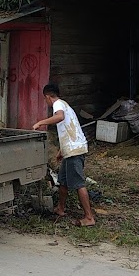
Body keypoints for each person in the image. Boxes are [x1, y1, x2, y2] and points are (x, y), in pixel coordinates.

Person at [32, 83, 95, 227]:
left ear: (48, 97)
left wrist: (40, 122)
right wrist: (62, 150)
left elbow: (60, 117)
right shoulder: (65, 105)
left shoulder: (58, 105)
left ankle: (89, 217)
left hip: (75, 151)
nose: (46, 102)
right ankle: (60, 208)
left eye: (45, 99)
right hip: (70, 149)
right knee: (63, 180)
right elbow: (69, 128)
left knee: (78, 183)